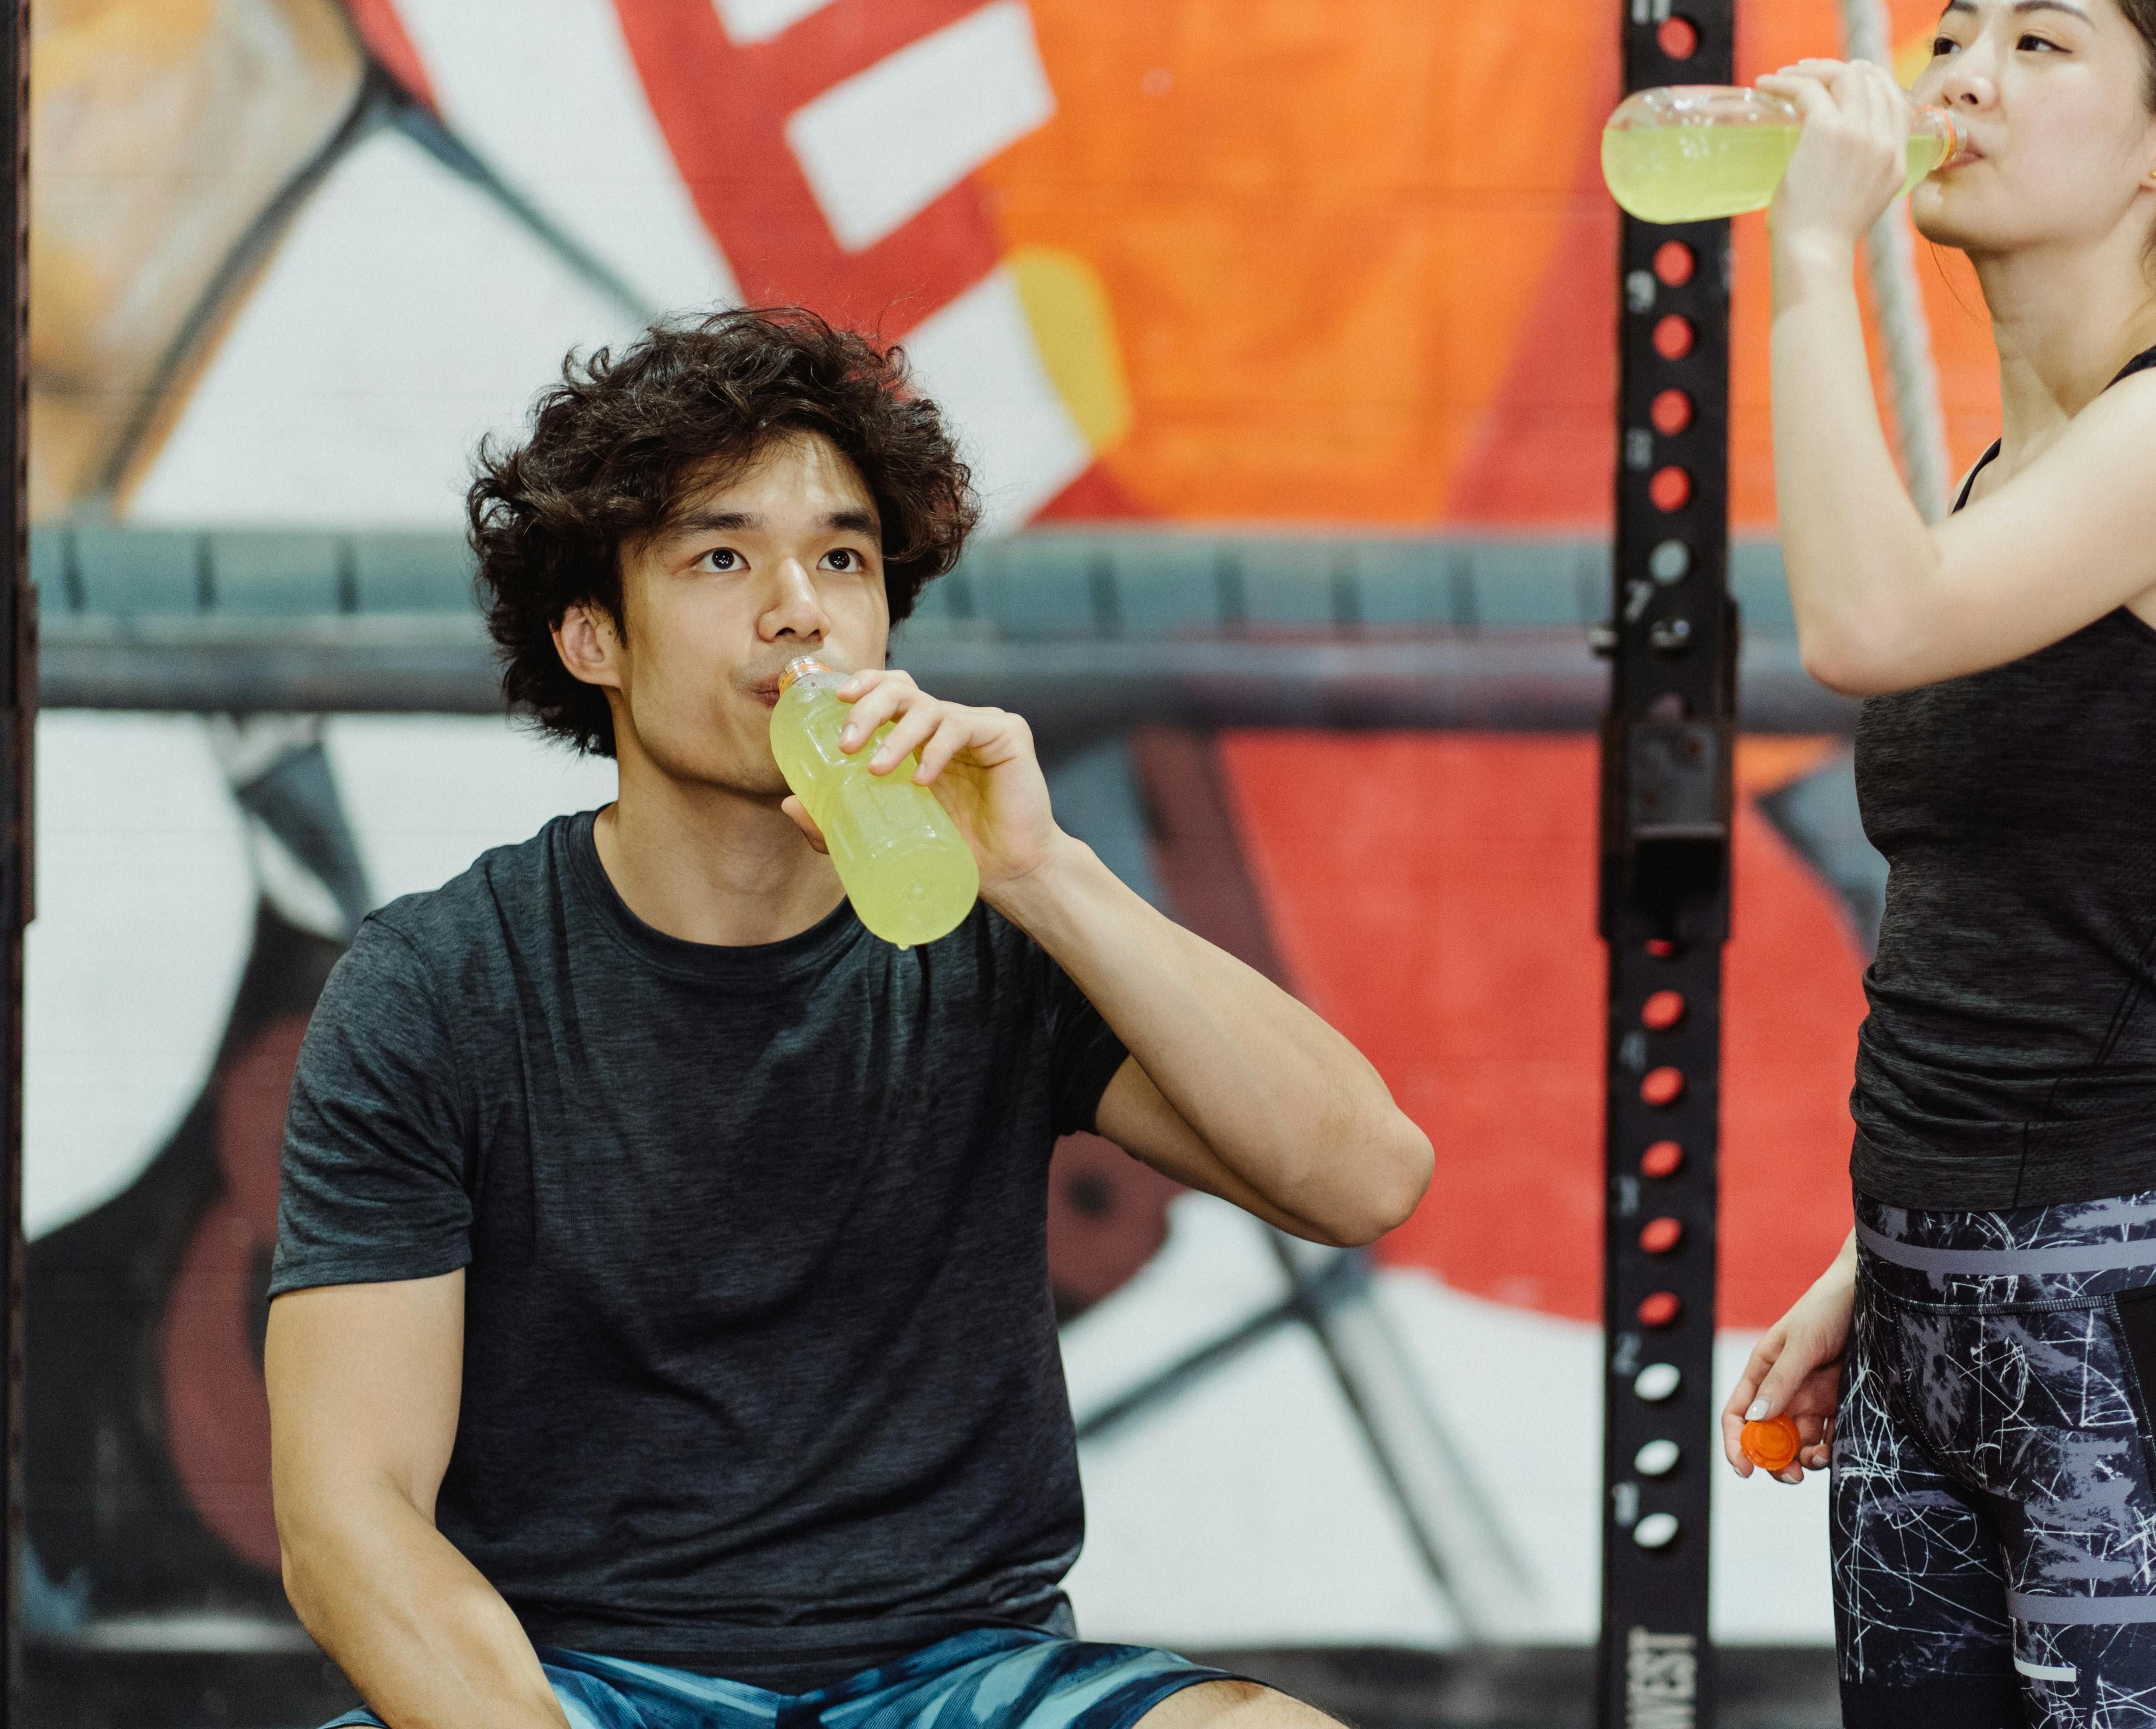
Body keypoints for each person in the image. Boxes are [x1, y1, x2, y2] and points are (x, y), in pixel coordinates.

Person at [263, 309, 1435, 1729]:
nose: (799, 609)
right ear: (591, 637)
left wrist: (1048, 877)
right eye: (720, 556)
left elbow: (1364, 1176)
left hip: (968, 1679)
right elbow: (350, 1516)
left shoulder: (994, 933)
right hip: (580, 1687)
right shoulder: (440, 986)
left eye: (841, 557)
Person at [1719, 0, 2156, 1729]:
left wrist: (1806, 265)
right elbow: (2015, 941)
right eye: (1952, 35)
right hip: (1929, 1319)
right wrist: (1885, 1260)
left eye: (2036, 43)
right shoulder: (2010, 482)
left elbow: (1860, 624)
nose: (1961, 81)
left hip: (2120, 1333)